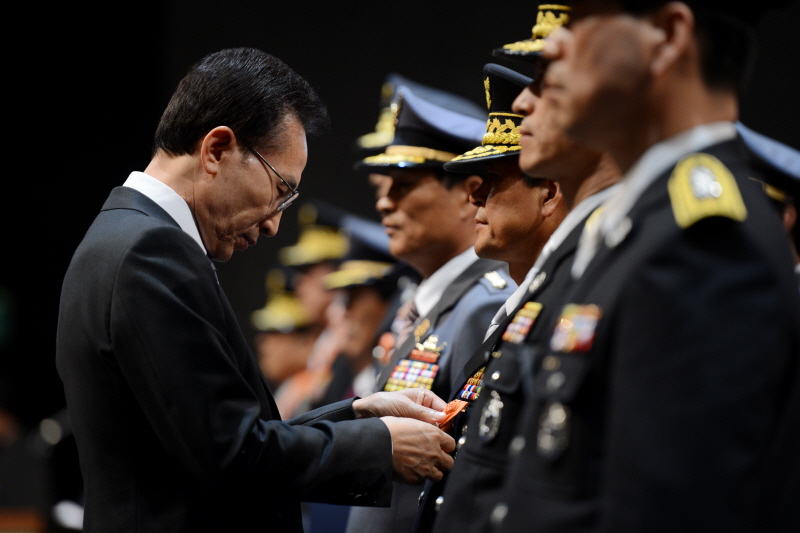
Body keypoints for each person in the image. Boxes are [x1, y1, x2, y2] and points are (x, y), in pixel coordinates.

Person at [55, 47, 457, 533]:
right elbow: (232, 456)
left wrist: (358, 413)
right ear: (217, 150)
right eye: (279, 189)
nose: (274, 224)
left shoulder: (122, 236)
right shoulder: (151, 252)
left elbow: (212, 438)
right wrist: (381, 445)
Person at [483, 1, 800, 531]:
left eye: (581, 21)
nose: (554, 46)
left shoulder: (704, 242)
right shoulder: (639, 225)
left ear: (669, 36)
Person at [424, 7, 621, 532]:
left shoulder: (578, 286)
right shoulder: (523, 302)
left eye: (491, 183)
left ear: (549, 192)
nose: (475, 199)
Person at [345, 79, 517, 533]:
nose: (384, 202)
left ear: (467, 195)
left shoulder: (485, 305)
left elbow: (461, 470)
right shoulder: (424, 307)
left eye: (403, 185)